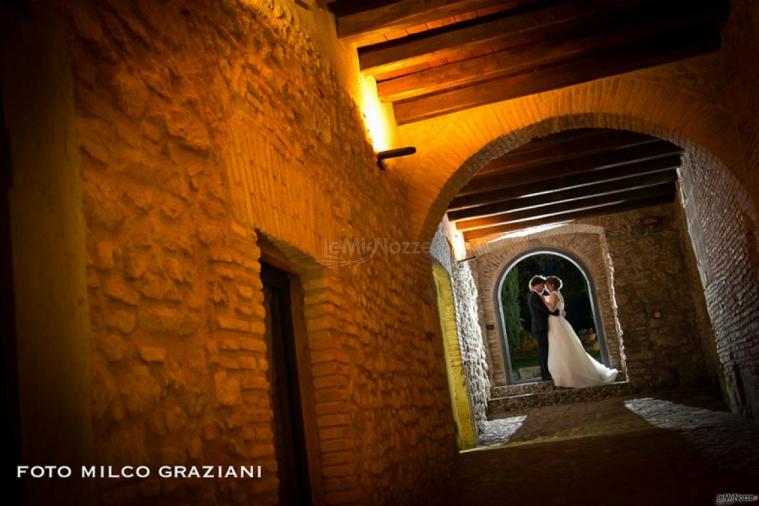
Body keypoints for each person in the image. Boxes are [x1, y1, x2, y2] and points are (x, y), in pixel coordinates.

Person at [543, 276, 619, 388]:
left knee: (561, 347)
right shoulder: (559, 294)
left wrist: (544, 301)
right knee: (565, 347)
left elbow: (552, 309)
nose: (546, 287)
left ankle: (569, 375)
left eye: (547, 285)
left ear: (553, 285)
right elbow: (562, 311)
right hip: (559, 322)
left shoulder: (554, 294)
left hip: (556, 323)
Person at [527, 275, 560, 382]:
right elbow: (543, 309)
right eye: (542, 285)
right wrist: (556, 312)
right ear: (536, 285)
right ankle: (545, 375)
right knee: (543, 351)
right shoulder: (534, 295)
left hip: (541, 327)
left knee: (544, 350)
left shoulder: (535, 295)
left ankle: (546, 374)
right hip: (539, 327)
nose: (543, 288)